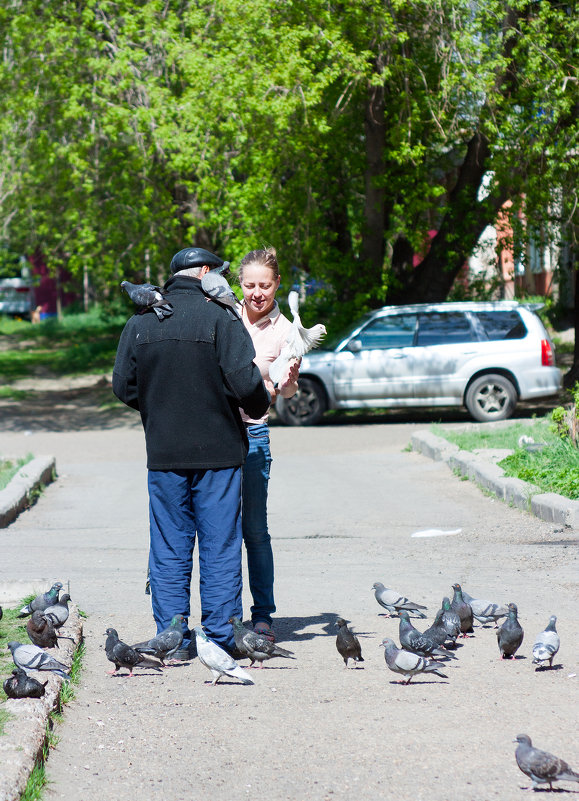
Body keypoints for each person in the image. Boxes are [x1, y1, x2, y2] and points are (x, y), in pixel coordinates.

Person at [112, 246, 270, 656]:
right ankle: (219, 638)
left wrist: (159, 408)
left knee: (168, 547)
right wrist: (253, 407)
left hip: (164, 454)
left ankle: (175, 640)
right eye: (219, 273)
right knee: (219, 545)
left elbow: (123, 386)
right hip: (219, 454)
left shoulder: (140, 322)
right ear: (203, 272)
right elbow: (248, 386)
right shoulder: (221, 318)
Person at [238, 247, 300, 642]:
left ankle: (262, 615)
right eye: (249, 285)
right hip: (215, 431)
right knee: (217, 530)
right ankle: (223, 614)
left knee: (255, 531)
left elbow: (289, 391)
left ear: (278, 284)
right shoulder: (225, 313)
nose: (257, 292)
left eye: (265, 285)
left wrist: (288, 378)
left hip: (255, 432)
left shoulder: (286, 330)